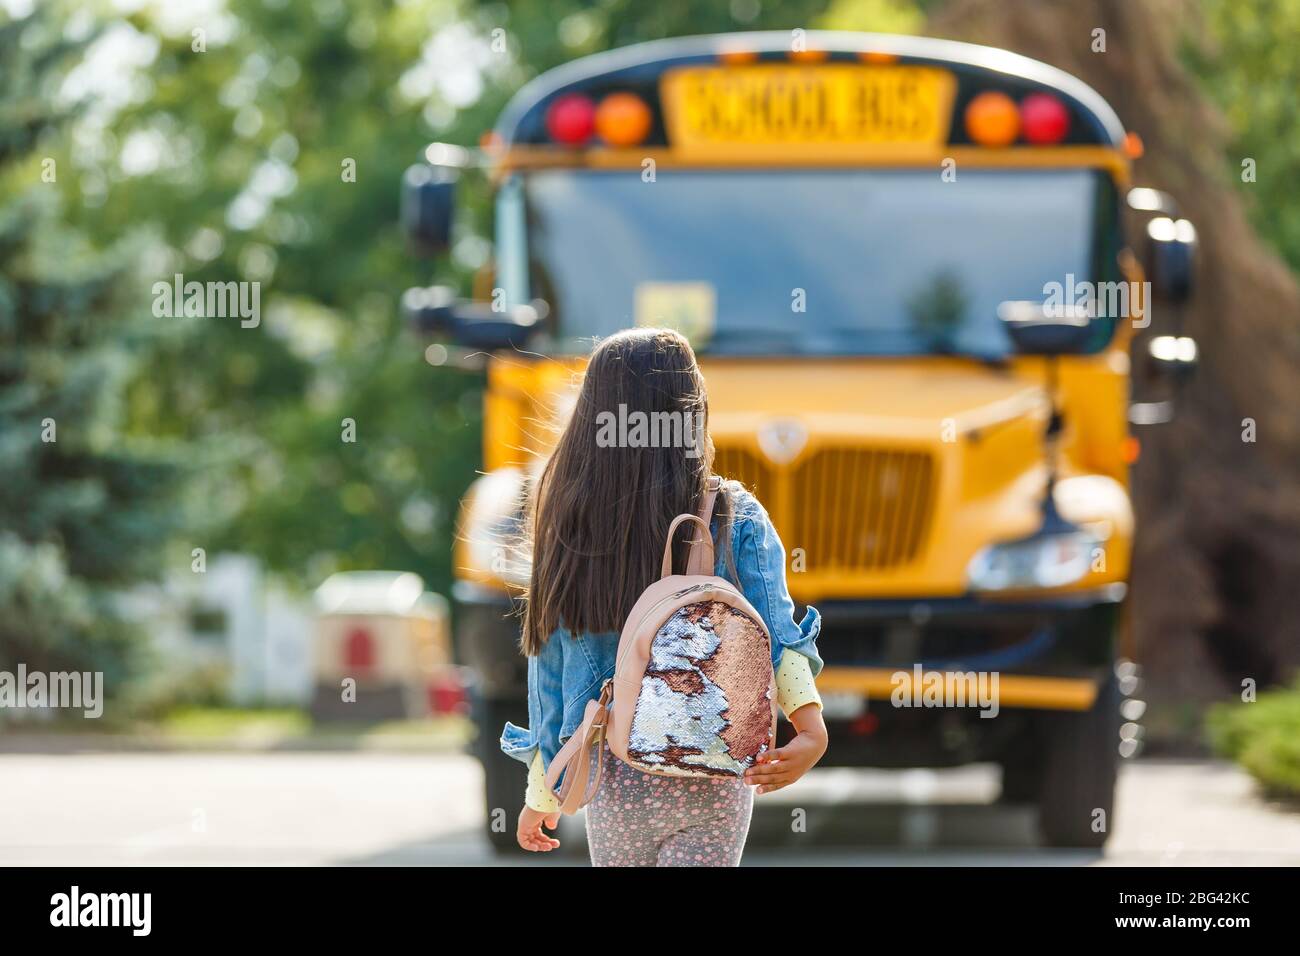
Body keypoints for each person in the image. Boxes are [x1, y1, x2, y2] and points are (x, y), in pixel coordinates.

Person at [500, 327, 827, 866]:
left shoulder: (569, 522)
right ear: (692, 410)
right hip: (713, 763)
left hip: (616, 770)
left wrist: (542, 787)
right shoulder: (733, 514)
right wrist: (810, 730)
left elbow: (549, 666)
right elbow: (777, 634)